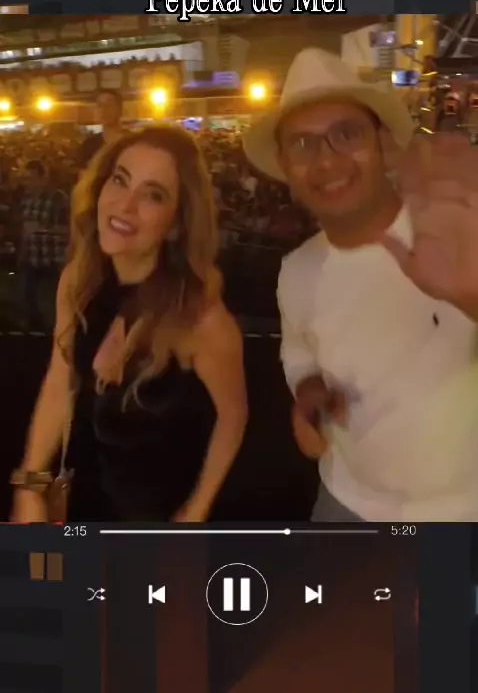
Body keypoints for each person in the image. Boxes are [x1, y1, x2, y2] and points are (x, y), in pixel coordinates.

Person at [244, 47, 478, 522]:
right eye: (303, 144)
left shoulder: (458, 227)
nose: (326, 160)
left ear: (383, 143)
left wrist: (469, 297)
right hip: (345, 503)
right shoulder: (297, 270)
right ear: (286, 168)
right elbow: (298, 353)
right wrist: (309, 393)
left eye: (346, 134)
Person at [12, 126, 248, 522]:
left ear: (177, 224)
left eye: (153, 195)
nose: (125, 204)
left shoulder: (202, 319)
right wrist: (31, 482)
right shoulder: (78, 281)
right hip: (80, 511)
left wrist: (196, 511)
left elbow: (233, 417)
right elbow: (61, 377)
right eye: (120, 180)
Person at [15, 159, 69, 332]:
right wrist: (22, 252)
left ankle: (56, 331)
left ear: (43, 178)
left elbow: (70, 229)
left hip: (53, 258)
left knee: (54, 300)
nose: (27, 183)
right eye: (25, 178)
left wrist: (43, 229)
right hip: (32, 257)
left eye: (31, 178)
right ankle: (34, 329)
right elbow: (25, 230)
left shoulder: (58, 199)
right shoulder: (26, 199)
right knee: (25, 295)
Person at [77, 89, 123, 173]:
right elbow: (84, 177)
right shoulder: (89, 145)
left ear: (120, 110)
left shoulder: (132, 143)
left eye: (110, 104)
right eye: (100, 105)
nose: (104, 109)